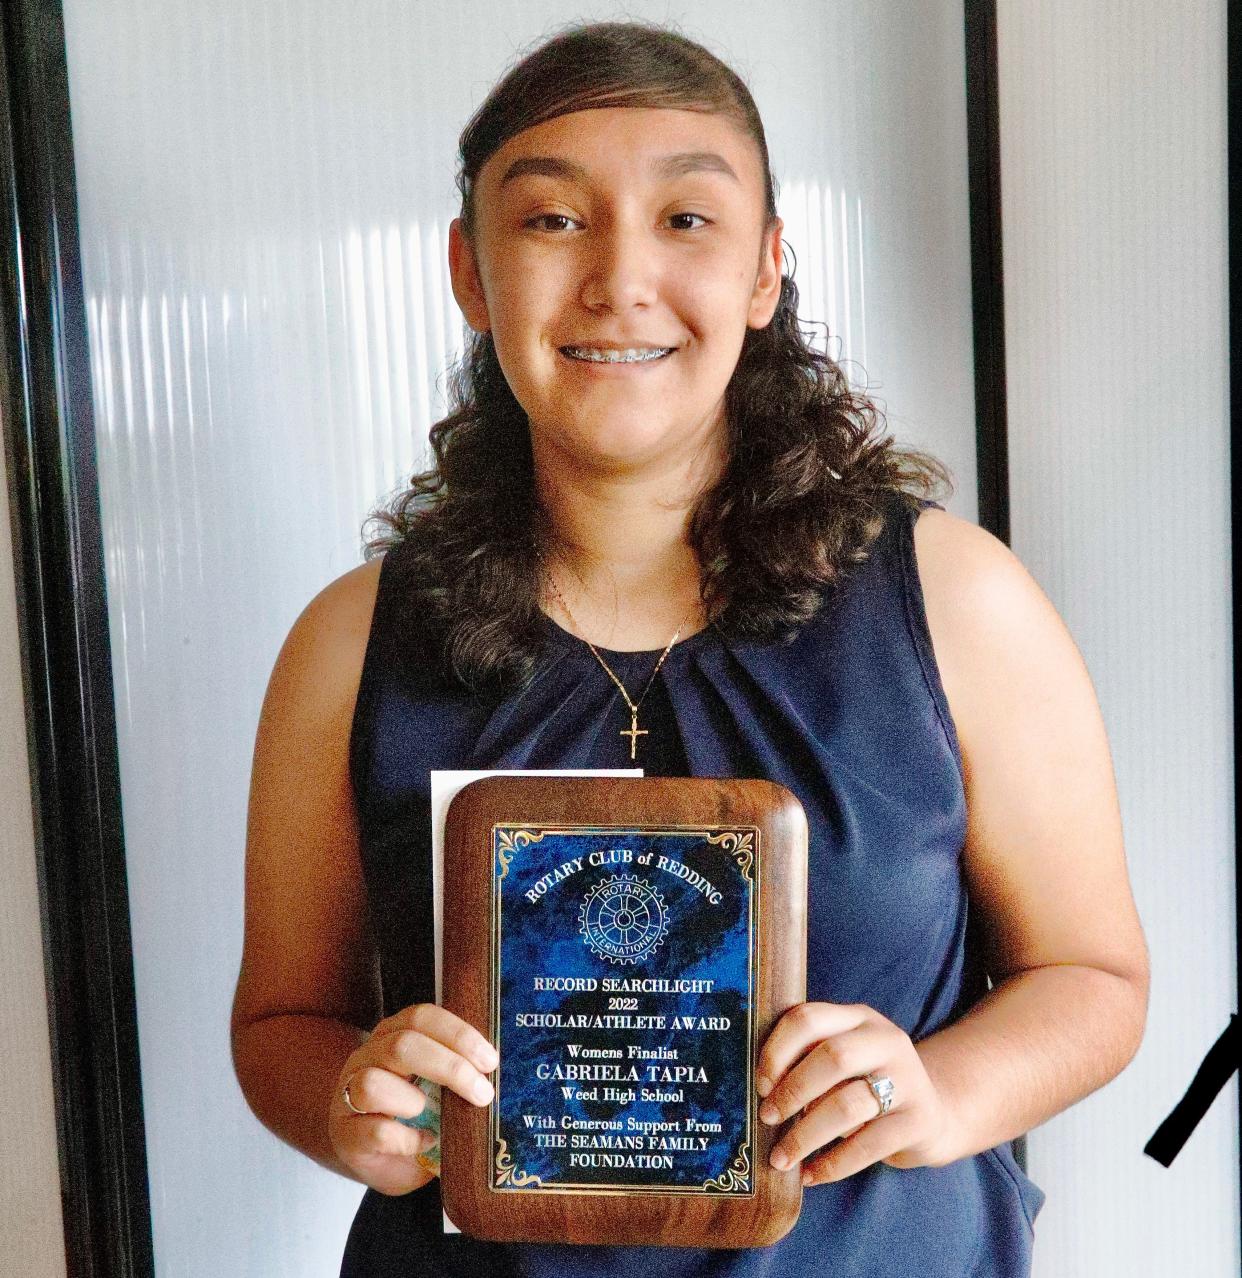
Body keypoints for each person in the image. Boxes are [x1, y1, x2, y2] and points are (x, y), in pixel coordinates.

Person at [230, 19, 1150, 1278]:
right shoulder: (353, 641)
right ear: (468, 268)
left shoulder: (956, 600)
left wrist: (941, 1093)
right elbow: (281, 1020)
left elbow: (1093, 977)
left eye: (687, 220)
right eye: (552, 220)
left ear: (766, 271)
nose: (618, 278)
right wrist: (351, 1097)